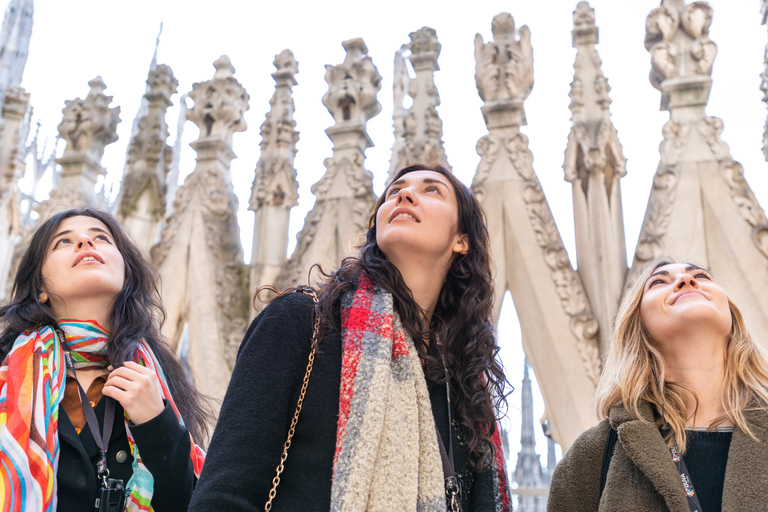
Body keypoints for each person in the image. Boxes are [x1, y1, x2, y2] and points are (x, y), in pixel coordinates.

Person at [188, 163, 512, 512]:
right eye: (393, 192)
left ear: (461, 240)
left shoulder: (463, 387)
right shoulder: (303, 323)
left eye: (432, 189)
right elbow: (225, 494)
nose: (404, 194)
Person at [0, 208, 212, 512]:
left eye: (101, 238)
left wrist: (156, 423)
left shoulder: (157, 377)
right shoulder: (7, 370)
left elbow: (191, 503)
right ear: (41, 289)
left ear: (125, 275)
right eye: (63, 242)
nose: (86, 241)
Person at [547, 258, 768, 511]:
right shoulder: (594, 455)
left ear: (732, 316)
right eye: (659, 282)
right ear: (637, 327)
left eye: (702, 277)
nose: (687, 281)